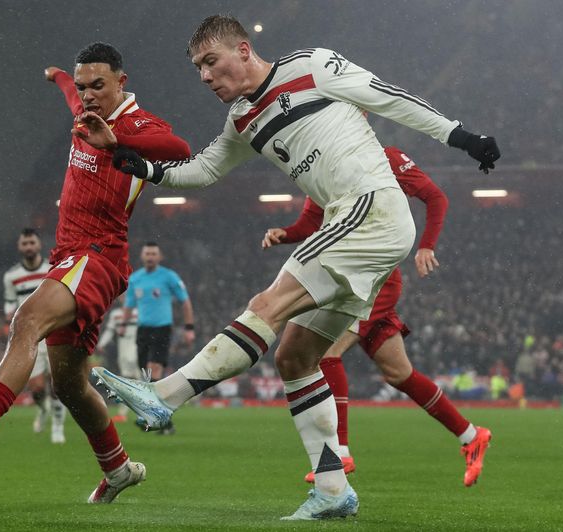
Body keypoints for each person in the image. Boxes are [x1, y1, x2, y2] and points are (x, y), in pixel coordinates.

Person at [93, 15, 499, 520]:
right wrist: (146, 168)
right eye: (198, 68)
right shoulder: (242, 119)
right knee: (296, 358)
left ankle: (164, 397)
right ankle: (332, 491)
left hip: (369, 207)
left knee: (269, 304)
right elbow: (206, 167)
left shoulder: (311, 66)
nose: (204, 77)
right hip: (357, 225)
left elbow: (389, 98)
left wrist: (462, 137)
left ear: (243, 50)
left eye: (211, 62)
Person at [0, 42, 191, 504]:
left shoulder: (136, 125)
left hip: (96, 256)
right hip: (70, 257)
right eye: (83, 87)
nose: (87, 95)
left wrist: (117, 142)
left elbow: (179, 148)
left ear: (122, 83)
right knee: (68, 384)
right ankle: (119, 468)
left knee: (27, 319)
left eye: (98, 85)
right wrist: (62, 77)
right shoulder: (83, 112)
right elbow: (71, 93)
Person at [262, 146, 491, 487]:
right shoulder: (323, 162)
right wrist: (285, 234)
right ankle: (471, 435)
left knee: (325, 353)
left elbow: (435, 197)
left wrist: (426, 244)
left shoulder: (385, 156)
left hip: (373, 279)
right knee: (399, 373)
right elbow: (310, 222)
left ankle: (339, 451)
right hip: (352, 275)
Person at [121, 241, 195, 434]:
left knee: (154, 372)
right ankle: (161, 420)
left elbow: (185, 302)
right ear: (142, 256)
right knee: (146, 376)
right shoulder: (135, 279)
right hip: (142, 330)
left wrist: (189, 327)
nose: (150, 257)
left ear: (159, 257)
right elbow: (129, 305)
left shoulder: (169, 277)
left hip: (162, 329)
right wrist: (123, 324)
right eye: (147, 253)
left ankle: (157, 418)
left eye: (154, 253)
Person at [3, 228, 67, 444]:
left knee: (58, 384)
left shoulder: (52, 269)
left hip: (52, 331)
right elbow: (9, 302)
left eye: (32, 242)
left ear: (39, 245)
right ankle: (42, 409)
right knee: (37, 387)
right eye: (25, 243)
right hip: (28, 336)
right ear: (19, 247)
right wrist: (9, 313)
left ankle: (58, 427)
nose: (29, 247)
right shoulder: (11, 276)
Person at [95, 295, 139, 423]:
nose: (124, 298)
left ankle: (129, 412)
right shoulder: (116, 314)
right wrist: (102, 344)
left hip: (137, 348)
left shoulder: (139, 312)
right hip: (123, 350)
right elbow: (109, 331)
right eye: (122, 296)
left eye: (127, 295)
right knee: (131, 381)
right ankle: (126, 413)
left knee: (133, 380)